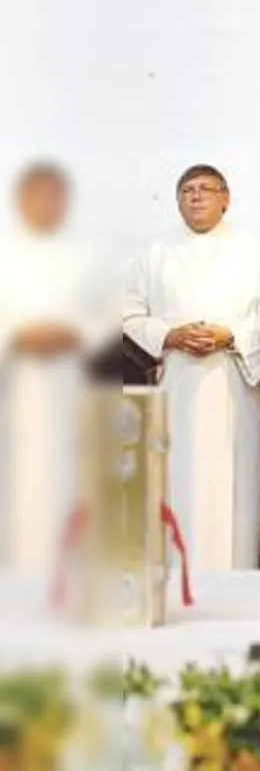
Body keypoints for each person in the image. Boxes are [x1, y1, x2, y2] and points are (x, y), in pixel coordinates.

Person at [123, 164, 260, 570]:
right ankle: (179, 577)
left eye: (206, 189)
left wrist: (231, 334)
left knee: (232, 483)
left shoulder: (254, 251)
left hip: (233, 383)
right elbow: (128, 314)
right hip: (178, 384)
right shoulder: (155, 252)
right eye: (187, 190)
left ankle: (238, 575)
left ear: (226, 199)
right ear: (177, 202)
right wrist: (169, 335)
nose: (197, 196)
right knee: (181, 479)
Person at [0, 162, 111, 570]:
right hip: (14, 380)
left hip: (70, 379)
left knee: (66, 479)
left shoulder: (88, 257)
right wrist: (16, 334)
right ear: (19, 199)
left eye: (53, 195)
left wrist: (73, 332)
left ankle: (67, 575)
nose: (45, 203)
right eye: (37, 194)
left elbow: (107, 312)